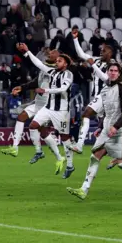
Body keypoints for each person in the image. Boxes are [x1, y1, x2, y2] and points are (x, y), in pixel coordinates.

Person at [67, 63, 122, 200]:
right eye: (111, 70)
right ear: (107, 72)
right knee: (95, 156)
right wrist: (100, 126)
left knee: (121, 163)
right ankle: (84, 189)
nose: (113, 73)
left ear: (119, 73)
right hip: (108, 128)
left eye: (115, 70)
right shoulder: (105, 90)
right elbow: (104, 111)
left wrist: (116, 126)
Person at [17, 43, 77, 176]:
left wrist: (45, 90)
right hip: (48, 108)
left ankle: (70, 165)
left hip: (61, 111)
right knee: (33, 126)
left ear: (66, 64)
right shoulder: (52, 72)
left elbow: (63, 89)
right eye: (56, 61)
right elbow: (39, 64)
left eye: (59, 61)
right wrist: (27, 51)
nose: (57, 62)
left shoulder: (68, 74)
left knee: (65, 138)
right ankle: (39, 151)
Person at [0, 49, 61, 165]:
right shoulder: (45, 68)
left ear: (58, 58)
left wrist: (28, 51)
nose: (49, 54)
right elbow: (36, 82)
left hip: (47, 106)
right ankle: (15, 147)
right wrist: (22, 87)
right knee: (21, 117)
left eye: (53, 53)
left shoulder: (54, 70)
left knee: (42, 131)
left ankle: (58, 156)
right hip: (37, 103)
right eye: (49, 52)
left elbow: (37, 63)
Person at [73, 32, 114, 154]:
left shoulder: (112, 65)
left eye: (104, 50)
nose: (101, 52)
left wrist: (93, 65)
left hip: (105, 95)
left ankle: (80, 144)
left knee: (86, 114)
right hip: (98, 96)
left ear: (110, 53)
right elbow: (81, 54)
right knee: (104, 125)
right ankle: (113, 150)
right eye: (101, 50)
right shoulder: (97, 60)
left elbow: (106, 79)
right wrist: (75, 39)